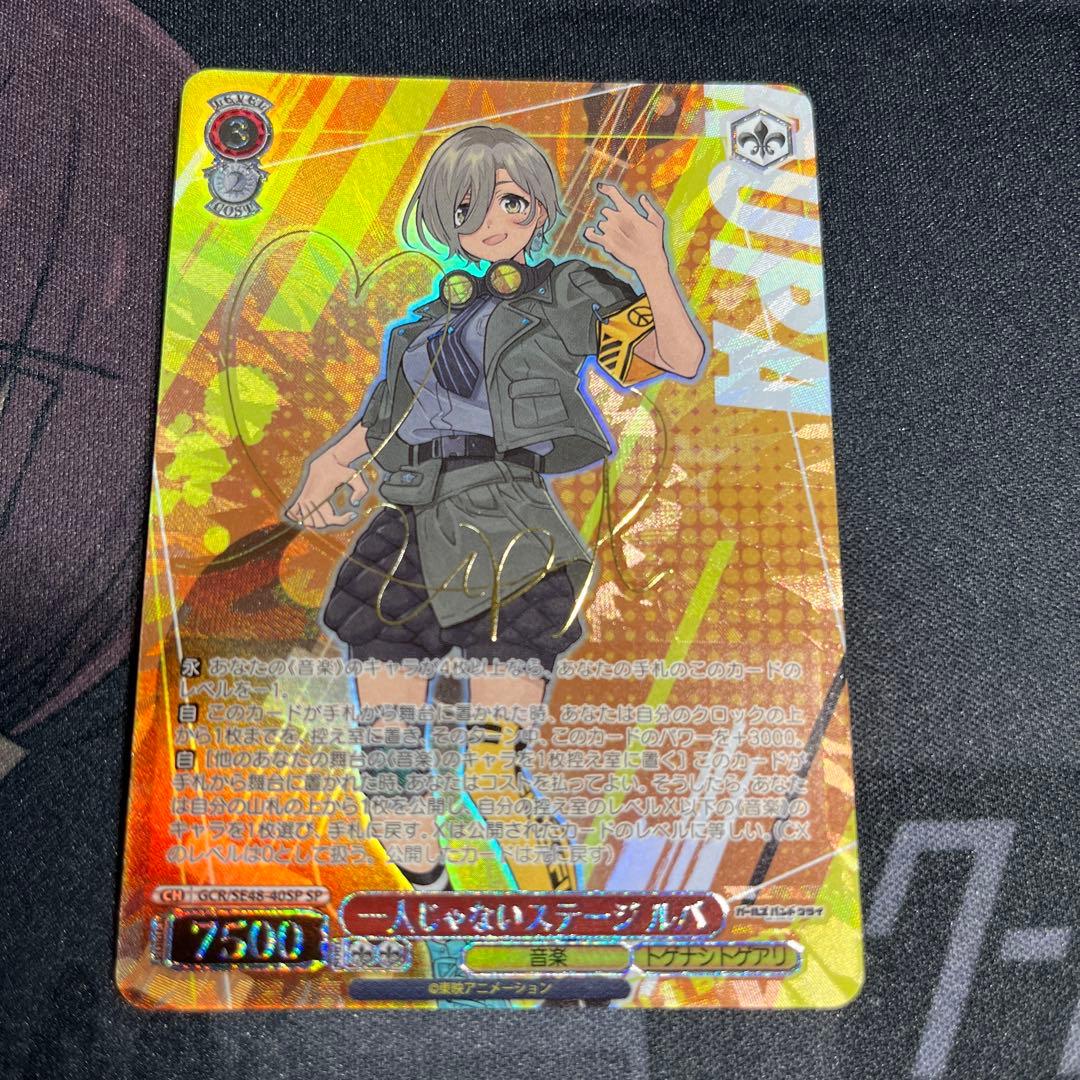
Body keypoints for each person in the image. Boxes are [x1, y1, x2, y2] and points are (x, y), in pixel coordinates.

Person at [286, 124, 705, 890]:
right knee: (388, 762)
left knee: (492, 772)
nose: (490, 220)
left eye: (511, 201)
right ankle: (435, 907)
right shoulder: (422, 325)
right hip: (407, 530)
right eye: (467, 206)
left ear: (538, 207)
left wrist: (651, 263)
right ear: (445, 219)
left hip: (509, 529)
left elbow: (678, 357)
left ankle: (558, 929)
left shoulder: (566, 293)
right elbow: (383, 421)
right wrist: (331, 463)